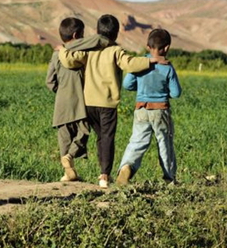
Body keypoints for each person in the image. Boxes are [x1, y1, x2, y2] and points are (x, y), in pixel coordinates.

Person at [59, 14, 164, 188]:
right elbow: (129, 63)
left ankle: (75, 160)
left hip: (89, 102)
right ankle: (104, 176)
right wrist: (150, 61)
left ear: (97, 31)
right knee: (107, 138)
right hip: (107, 103)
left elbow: (69, 61)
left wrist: (62, 50)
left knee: (98, 137)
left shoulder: (89, 50)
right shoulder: (115, 51)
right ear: (116, 33)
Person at [116, 29, 181, 186]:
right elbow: (176, 93)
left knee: (137, 141)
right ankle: (169, 177)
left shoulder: (140, 64)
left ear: (147, 46)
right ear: (166, 48)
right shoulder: (167, 68)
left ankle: (126, 168)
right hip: (160, 110)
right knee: (165, 143)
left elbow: (127, 84)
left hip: (141, 109)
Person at [45, 17, 91, 182]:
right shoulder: (83, 54)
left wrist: (61, 92)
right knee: (83, 131)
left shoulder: (57, 54)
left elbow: (49, 81)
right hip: (81, 101)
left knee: (64, 137)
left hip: (62, 103)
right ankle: (70, 156)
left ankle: (68, 171)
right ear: (77, 34)